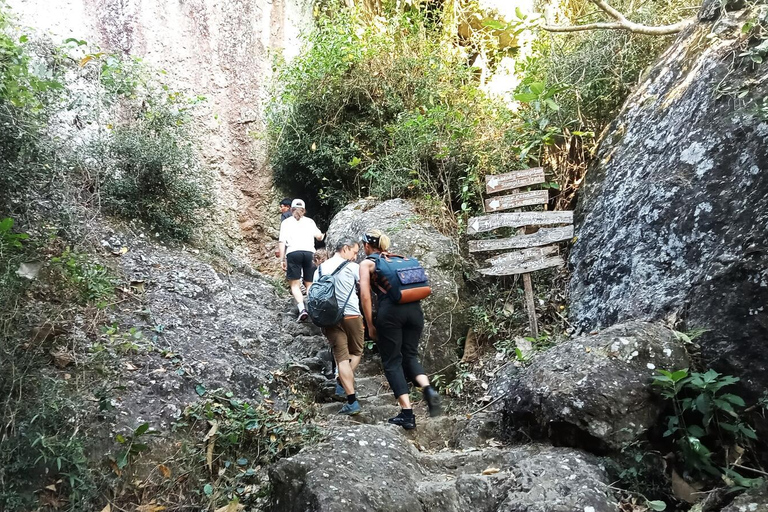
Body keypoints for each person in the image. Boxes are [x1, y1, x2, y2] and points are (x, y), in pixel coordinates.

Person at [359, 229, 441, 430]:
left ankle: (407, 413)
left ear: (367, 246)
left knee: (392, 361)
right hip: (415, 312)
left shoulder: (368, 263)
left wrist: (370, 324)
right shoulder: (400, 259)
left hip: (391, 314)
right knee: (410, 356)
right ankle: (427, 388)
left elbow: (366, 296)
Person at [313, 238, 364, 415]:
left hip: (329, 319)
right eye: (354, 252)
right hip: (351, 314)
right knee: (356, 352)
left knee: (341, 358)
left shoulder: (319, 269)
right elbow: (364, 287)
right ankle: (342, 381)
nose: (355, 256)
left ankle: (351, 401)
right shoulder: (352, 268)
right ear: (345, 249)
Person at [277, 199, 324, 321]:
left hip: (293, 253)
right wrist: (324, 234)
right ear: (304, 210)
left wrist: (282, 259)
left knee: (295, 285)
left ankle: (302, 309)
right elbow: (319, 237)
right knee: (309, 284)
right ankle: (313, 308)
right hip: (309, 253)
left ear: (291, 209)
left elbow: (282, 242)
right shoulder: (310, 222)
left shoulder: (286, 222)